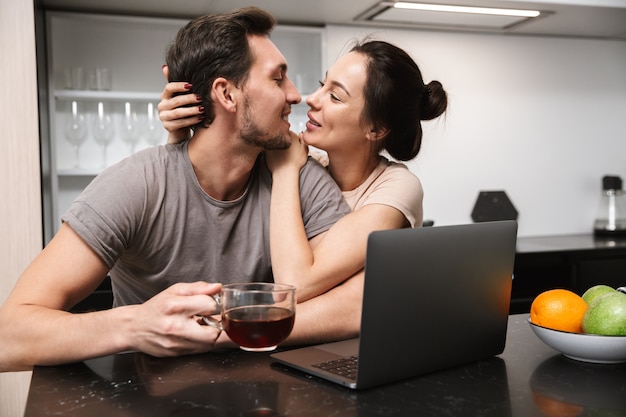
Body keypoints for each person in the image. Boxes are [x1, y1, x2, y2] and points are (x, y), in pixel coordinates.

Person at [0, 7, 362, 373]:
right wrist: (136, 324)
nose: (297, 95)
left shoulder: (296, 172)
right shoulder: (136, 185)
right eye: (278, 78)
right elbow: (9, 336)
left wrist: (229, 330)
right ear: (227, 94)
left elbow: (358, 303)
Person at [159, 39, 448, 301]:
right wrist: (180, 135)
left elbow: (294, 284)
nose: (312, 98)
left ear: (376, 128)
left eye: (335, 97)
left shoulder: (396, 187)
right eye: (322, 84)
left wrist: (285, 172)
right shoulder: (307, 164)